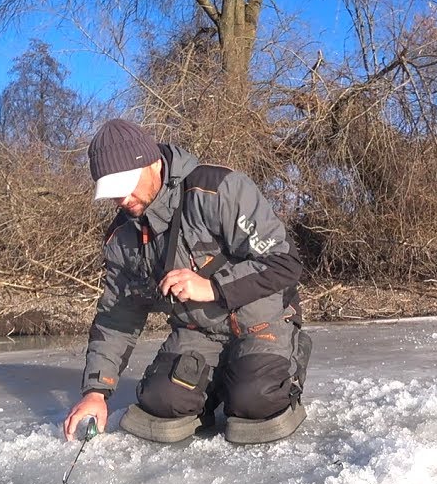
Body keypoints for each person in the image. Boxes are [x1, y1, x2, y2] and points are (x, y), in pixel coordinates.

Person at [62, 119, 310, 445]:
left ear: (152, 164)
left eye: (125, 184)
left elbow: (285, 262)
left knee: (256, 400)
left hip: (260, 322)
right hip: (198, 334)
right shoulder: (123, 237)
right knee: (160, 403)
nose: (120, 199)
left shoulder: (218, 190)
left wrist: (213, 288)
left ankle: (275, 366)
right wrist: (97, 390)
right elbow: (117, 314)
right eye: (111, 191)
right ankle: (217, 381)